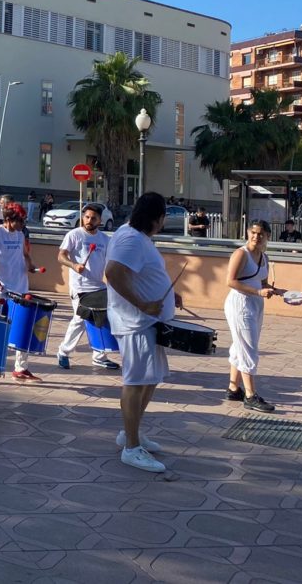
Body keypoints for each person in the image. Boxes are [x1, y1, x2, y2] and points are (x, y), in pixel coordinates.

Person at [104, 192, 183, 474]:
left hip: (147, 323)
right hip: (136, 323)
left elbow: (143, 274)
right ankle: (131, 448)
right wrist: (142, 303)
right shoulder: (130, 239)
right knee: (136, 382)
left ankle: (131, 433)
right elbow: (112, 273)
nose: (162, 224)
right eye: (163, 218)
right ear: (157, 217)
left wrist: (171, 294)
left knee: (150, 379)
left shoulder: (138, 238)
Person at [0, 202, 41, 382]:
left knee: (23, 329)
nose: (23, 224)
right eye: (21, 221)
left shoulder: (19, 234)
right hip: (0, 290)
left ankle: (21, 368)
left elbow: (25, 255)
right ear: (10, 219)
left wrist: (31, 265)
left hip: (20, 288)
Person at [55, 204, 119, 370]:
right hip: (80, 287)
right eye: (87, 217)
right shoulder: (74, 235)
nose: (89, 220)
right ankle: (63, 351)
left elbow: (111, 263)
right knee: (81, 319)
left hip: (98, 286)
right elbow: (61, 256)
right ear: (83, 217)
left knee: (102, 318)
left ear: (100, 220)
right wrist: (74, 265)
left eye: (93, 218)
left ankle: (99, 356)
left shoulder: (105, 240)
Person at [223, 220, 279, 413]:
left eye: (261, 234)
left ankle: (233, 389)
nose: (256, 236)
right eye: (253, 233)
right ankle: (250, 395)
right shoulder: (241, 254)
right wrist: (257, 292)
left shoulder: (264, 257)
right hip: (240, 304)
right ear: (248, 233)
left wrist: (279, 292)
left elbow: (263, 284)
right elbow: (230, 281)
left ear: (267, 236)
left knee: (241, 344)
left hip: (255, 304)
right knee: (248, 347)